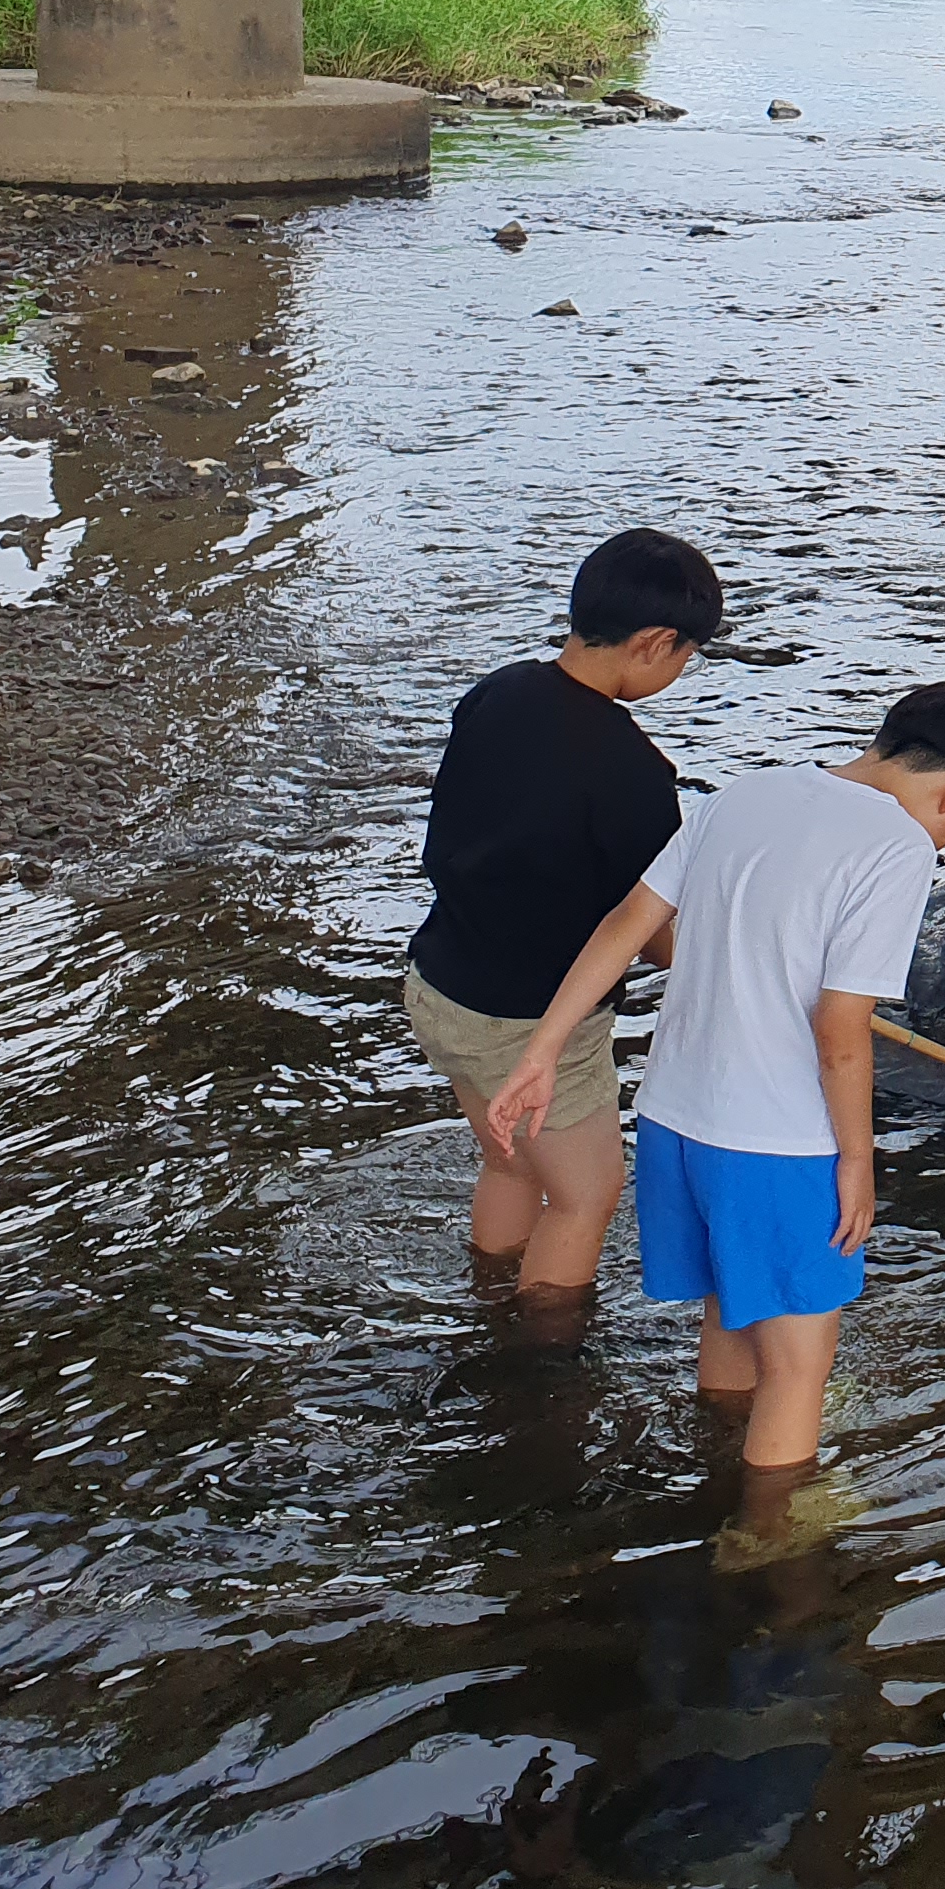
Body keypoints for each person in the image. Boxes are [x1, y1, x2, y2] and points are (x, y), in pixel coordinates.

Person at [486, 682, 945, 1489]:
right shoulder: (898, 848)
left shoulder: (748, 793)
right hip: (778, 1140)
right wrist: (856, 1159)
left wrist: (542, 1051)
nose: (943, 846)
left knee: (731, 1316)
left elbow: (627, 923)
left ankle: (717, 1459)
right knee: (799, 1372)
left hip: (676, 1118)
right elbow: (840, 1031)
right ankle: (772, 1553)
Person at [403, 526, 717, 1311]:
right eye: (688, 654)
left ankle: (486, 1298)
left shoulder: (499, 690)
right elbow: (649, 932)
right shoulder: (635, 775)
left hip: (441, 984)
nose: (683, 671)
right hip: (528, 1024)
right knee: (585, 1196)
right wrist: (726, 966)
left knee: (509, 1161)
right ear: (653, 643)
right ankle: (538, 1364)